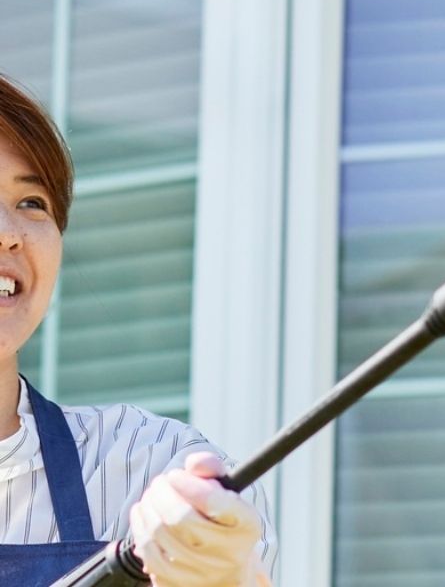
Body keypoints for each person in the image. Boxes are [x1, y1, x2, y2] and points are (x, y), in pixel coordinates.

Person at [0, 73, 274, 586]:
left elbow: (233, 553)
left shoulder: (149, 469)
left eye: (32, 203)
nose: (7, 233)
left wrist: (221, 570)